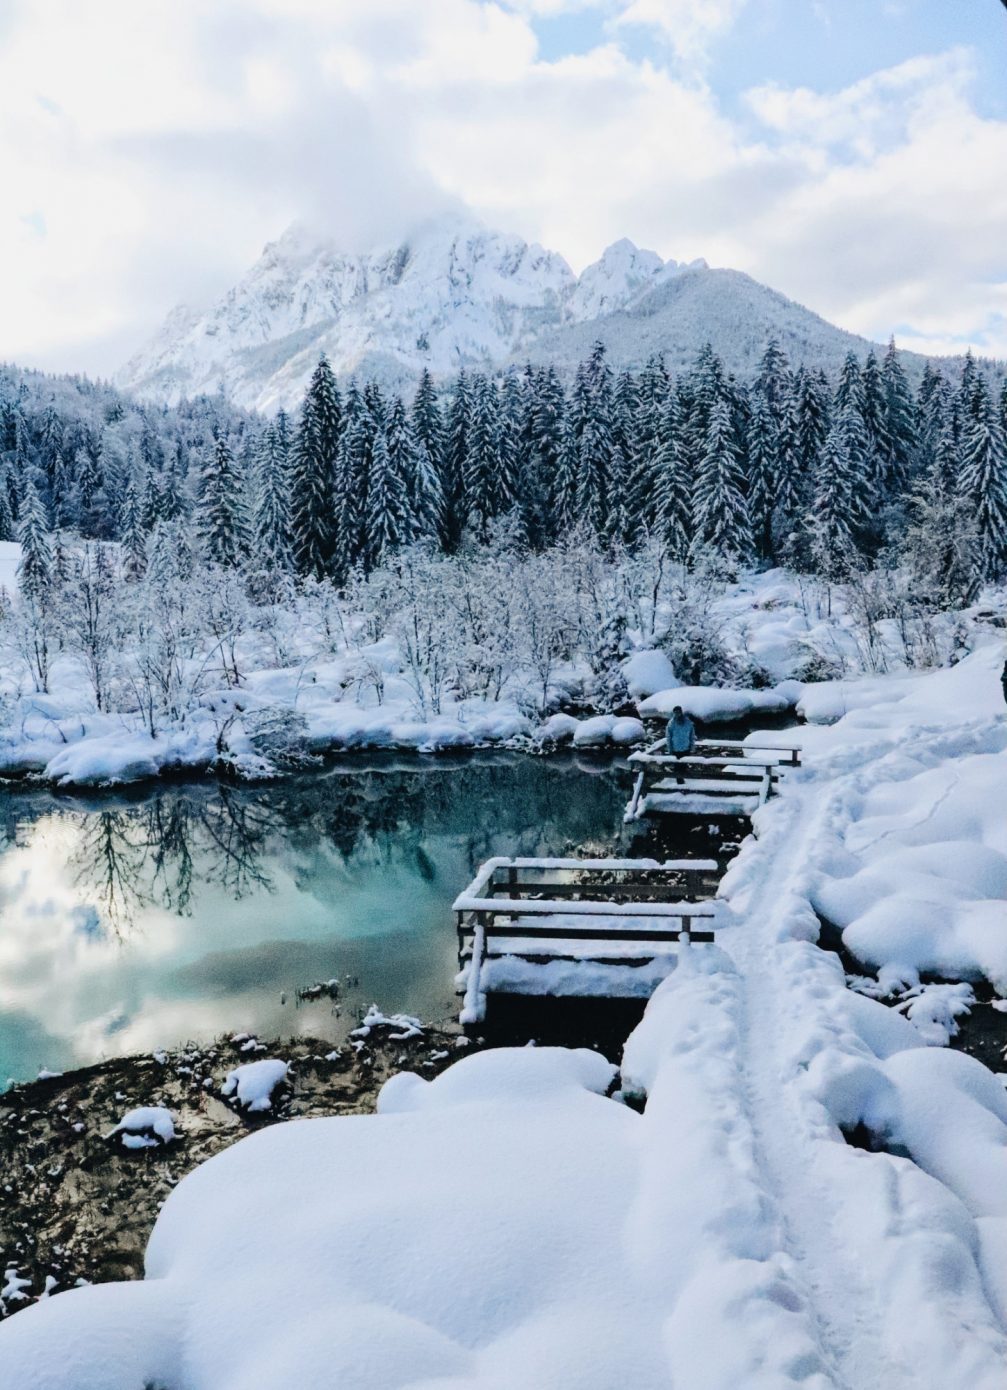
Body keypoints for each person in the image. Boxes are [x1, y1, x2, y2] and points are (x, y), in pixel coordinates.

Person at [665, 705, 696, 785]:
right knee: (677, 768)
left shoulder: (688, 722)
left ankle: (684, 784)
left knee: (684, 766)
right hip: (675, 749)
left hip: (686, 748)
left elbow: (692, 736)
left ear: (681, 712)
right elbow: (668, 737)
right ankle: (680, 784)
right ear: (673, 713)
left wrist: (692, 747)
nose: (677, 714)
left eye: (678, 712)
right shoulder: (671, 723)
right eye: (675, 712)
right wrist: (670, 749)